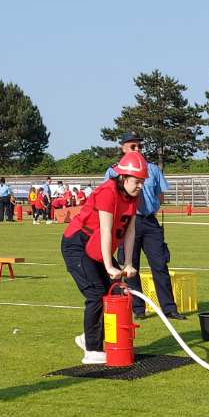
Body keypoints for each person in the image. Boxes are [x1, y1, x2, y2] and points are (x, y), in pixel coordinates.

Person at [60, 151, 146, 364]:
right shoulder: (108, 192)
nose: (140, 186)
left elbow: (130, 230)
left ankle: (88, 337)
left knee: (116, 290)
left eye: (143, 182)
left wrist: (127, 263)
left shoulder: (134, 196)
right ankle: (92, 350)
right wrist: (109, 266)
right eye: (137, 181)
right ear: (123, 177)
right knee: (96, 293)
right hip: (79, 245)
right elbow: (106, 230)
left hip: (98, 246)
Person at [103, 133, 181, 320]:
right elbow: (108, 198)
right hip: (128, 221)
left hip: (149, 221)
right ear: (123, 148)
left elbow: (159, 196)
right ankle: (138, 308)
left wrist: (149, 209)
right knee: (130, 266)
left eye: (139, 146)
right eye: (133, 146)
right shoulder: (113, 171)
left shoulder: (153, 169)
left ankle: (169, 308)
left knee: (160, 263)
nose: (137, 150)